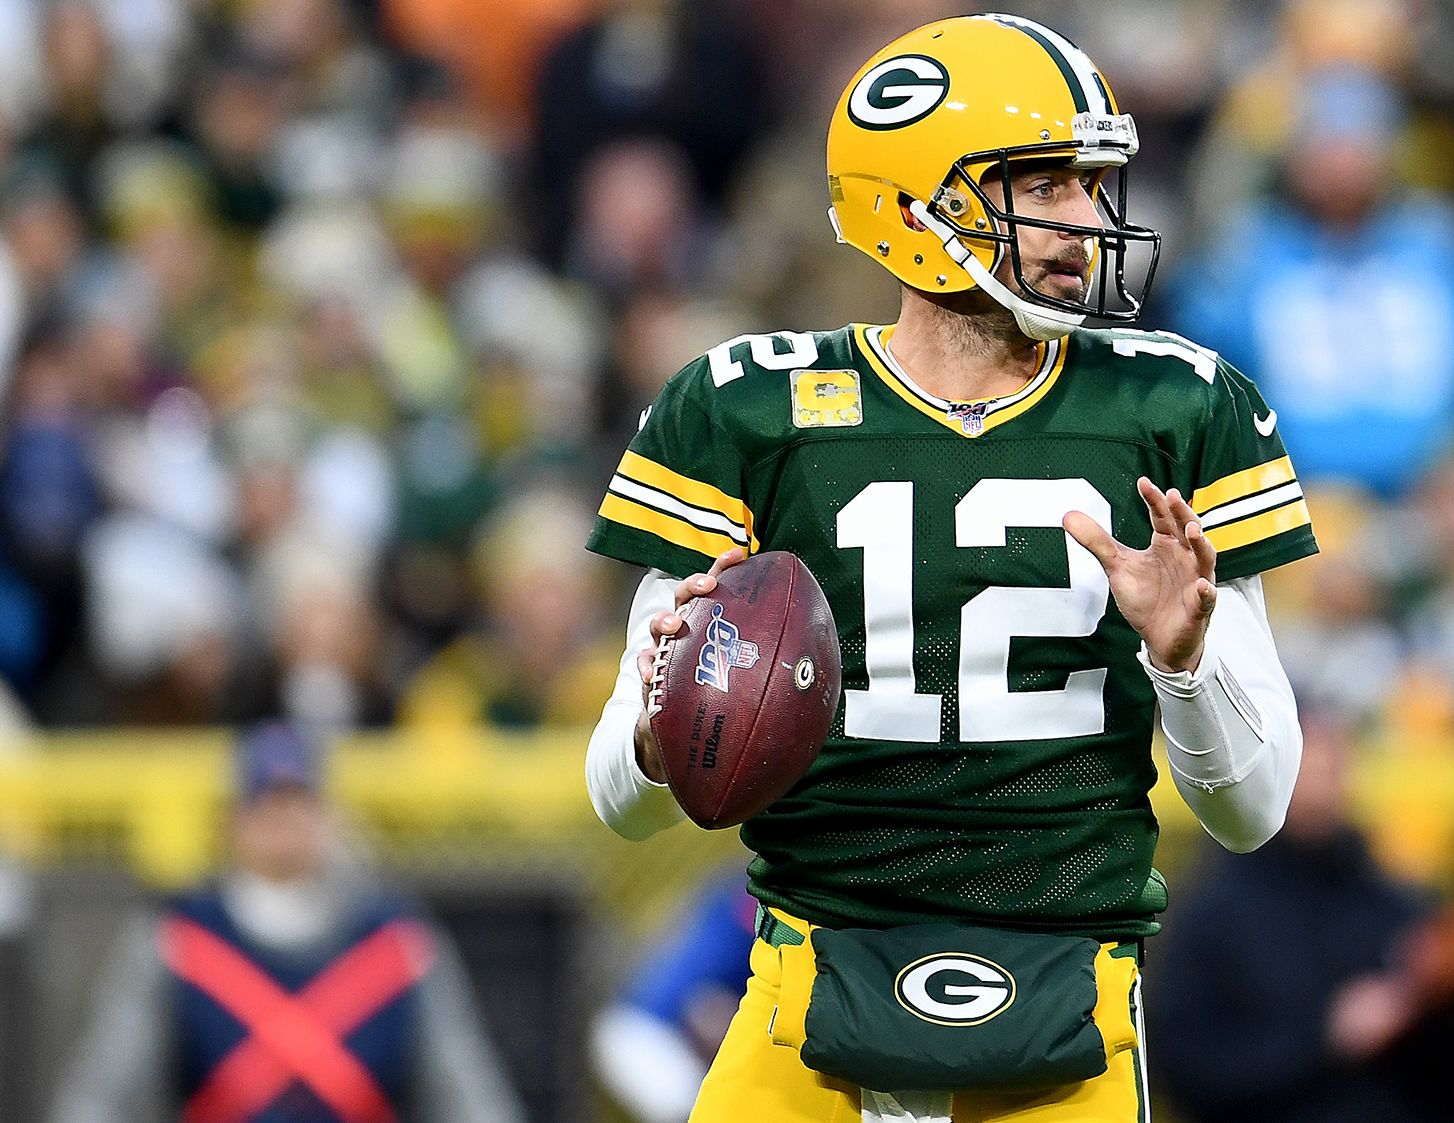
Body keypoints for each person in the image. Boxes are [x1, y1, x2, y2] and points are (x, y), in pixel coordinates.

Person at [582, 13, 1317, 1122]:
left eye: (1090, 185)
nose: (1086, 220)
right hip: (806, 993)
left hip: (1068, 1008)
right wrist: (665, 718)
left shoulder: (1177, 409)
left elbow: (1252, 809)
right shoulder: (746, 409)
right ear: (921, 206)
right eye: (1046, 184)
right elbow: (620, 804)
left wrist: (1187, 657)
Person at [48, 724, 524, 1123]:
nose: (283, 821)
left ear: (326, 814)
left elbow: (470, 1095)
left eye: (297, 802)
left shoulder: (397, 946)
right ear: (232, 820)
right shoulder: (179, 943)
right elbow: (101, 1094)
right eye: (266, 803)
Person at [1149, 713, 1454, 1123]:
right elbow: (1186, 1071)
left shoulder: (1397, 907)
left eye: (1330, 768)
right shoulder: (1211, 916)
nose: (1319, 787)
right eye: (1303, 769)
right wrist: (1326, 1039)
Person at [1168, 66, 1454, 497]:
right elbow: (1201, 368)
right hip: (1295, 492)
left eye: (1357, 143)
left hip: (1432, 493)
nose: (1343, 161)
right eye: (1327, 143)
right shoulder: (1251, 247)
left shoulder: (1437, 241)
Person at [591, 874, 757, 1123]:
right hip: (650, 1035)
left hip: (638, 1029)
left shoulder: (742, 888)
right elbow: (705, 1007)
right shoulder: (752, 905)